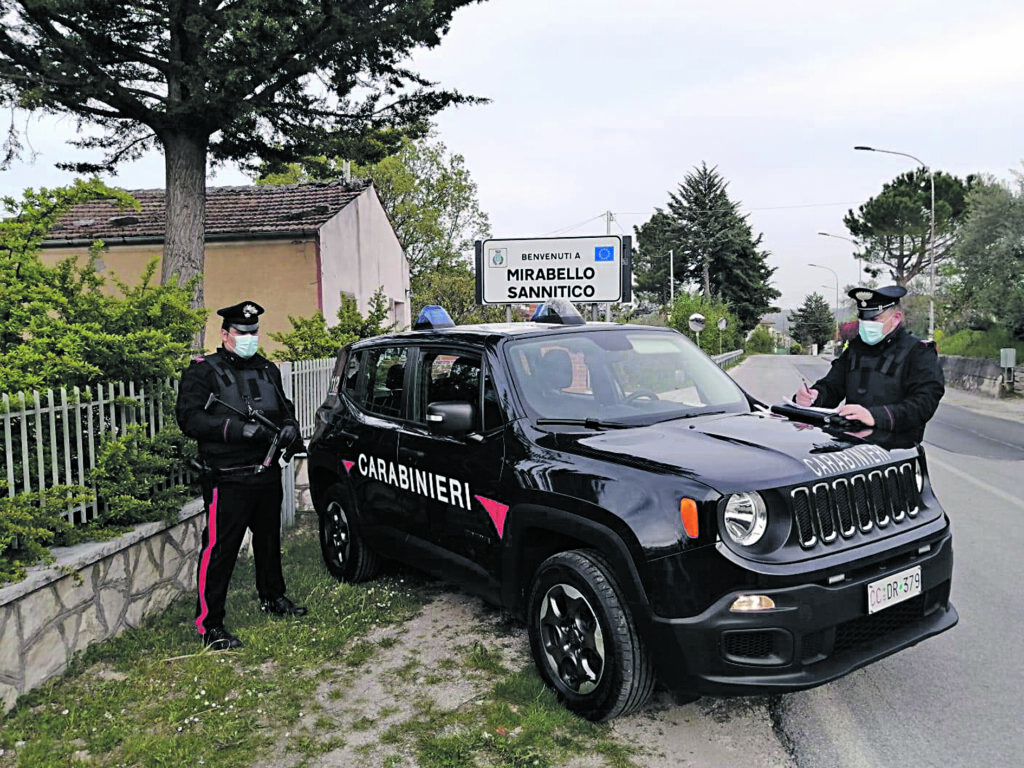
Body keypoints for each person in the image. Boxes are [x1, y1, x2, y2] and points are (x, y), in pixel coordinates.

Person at [176, 300, 308, 650]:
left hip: (266, 472)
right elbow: (189, 419)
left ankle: (273, 598)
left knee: (268, 542)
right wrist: (235, 429)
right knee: (220, 550)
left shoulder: (267, 369)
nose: (249, 338)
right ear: (225, 334)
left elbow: (284, 408)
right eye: (242, 332)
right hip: (227, 477)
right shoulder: (203, 370)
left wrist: (290, 429)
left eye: (254, 332)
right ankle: (210, 624)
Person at [794, 285, 945, 443]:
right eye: (863, 318)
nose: (866, 324)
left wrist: (876, 416)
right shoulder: (856, 348)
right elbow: (833, 385)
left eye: (873, 319)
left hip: (898, 452)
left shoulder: (918, 352)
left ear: (896, 318)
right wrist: (814, 396)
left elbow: (924, 402)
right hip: (853, 447)